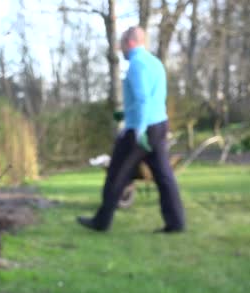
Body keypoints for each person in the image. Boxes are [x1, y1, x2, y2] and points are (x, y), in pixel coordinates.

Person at [77, 26, 185, 234]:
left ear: (130, 42)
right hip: (160, 125)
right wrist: (127, 115)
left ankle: (101, 221)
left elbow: (143, 99)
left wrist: (138, 129)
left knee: (117, 173)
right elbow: (153, 99)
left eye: (121, 43)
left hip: (140, 131)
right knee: (164, 176)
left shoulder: (137, 64)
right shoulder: (155, 63)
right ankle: (176, 222)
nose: (120, 48)